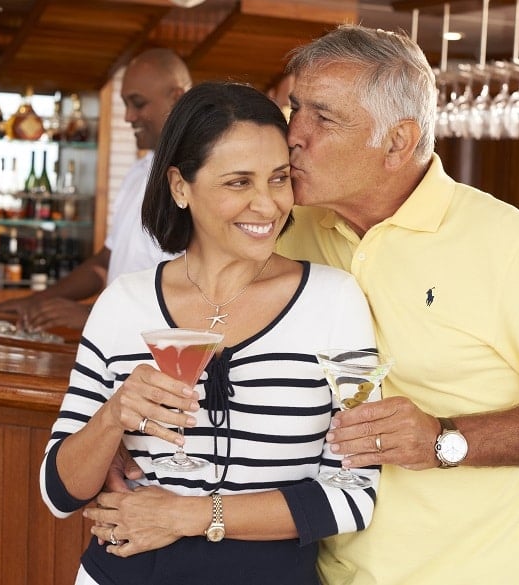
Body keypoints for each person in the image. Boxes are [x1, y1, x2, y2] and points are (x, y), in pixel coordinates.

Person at [274, 24, 519, 585]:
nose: (293, 133)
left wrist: (442, 439)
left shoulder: (511, 245)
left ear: (396, 141)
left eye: (323, 117)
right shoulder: (291, 231)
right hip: (316, 567)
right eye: (295, 108)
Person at [39, 82, 380, 585]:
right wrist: (114, 416)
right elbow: (59, 492)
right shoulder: (122, 304)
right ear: (180, 186)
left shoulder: (336, 301)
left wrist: (190, 515)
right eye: (238, 183)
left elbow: (354, 495)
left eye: (278, 179)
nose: (266, 205)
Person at [0, 48, 192, 332]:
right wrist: (35, 301)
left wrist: (92, 315)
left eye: (138, 103)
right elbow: (105, 262)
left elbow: (194, 290)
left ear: (176, 99)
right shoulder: (139, 172)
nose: (128, 116)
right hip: (117, 345)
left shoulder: (195, 181)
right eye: (126, 104)